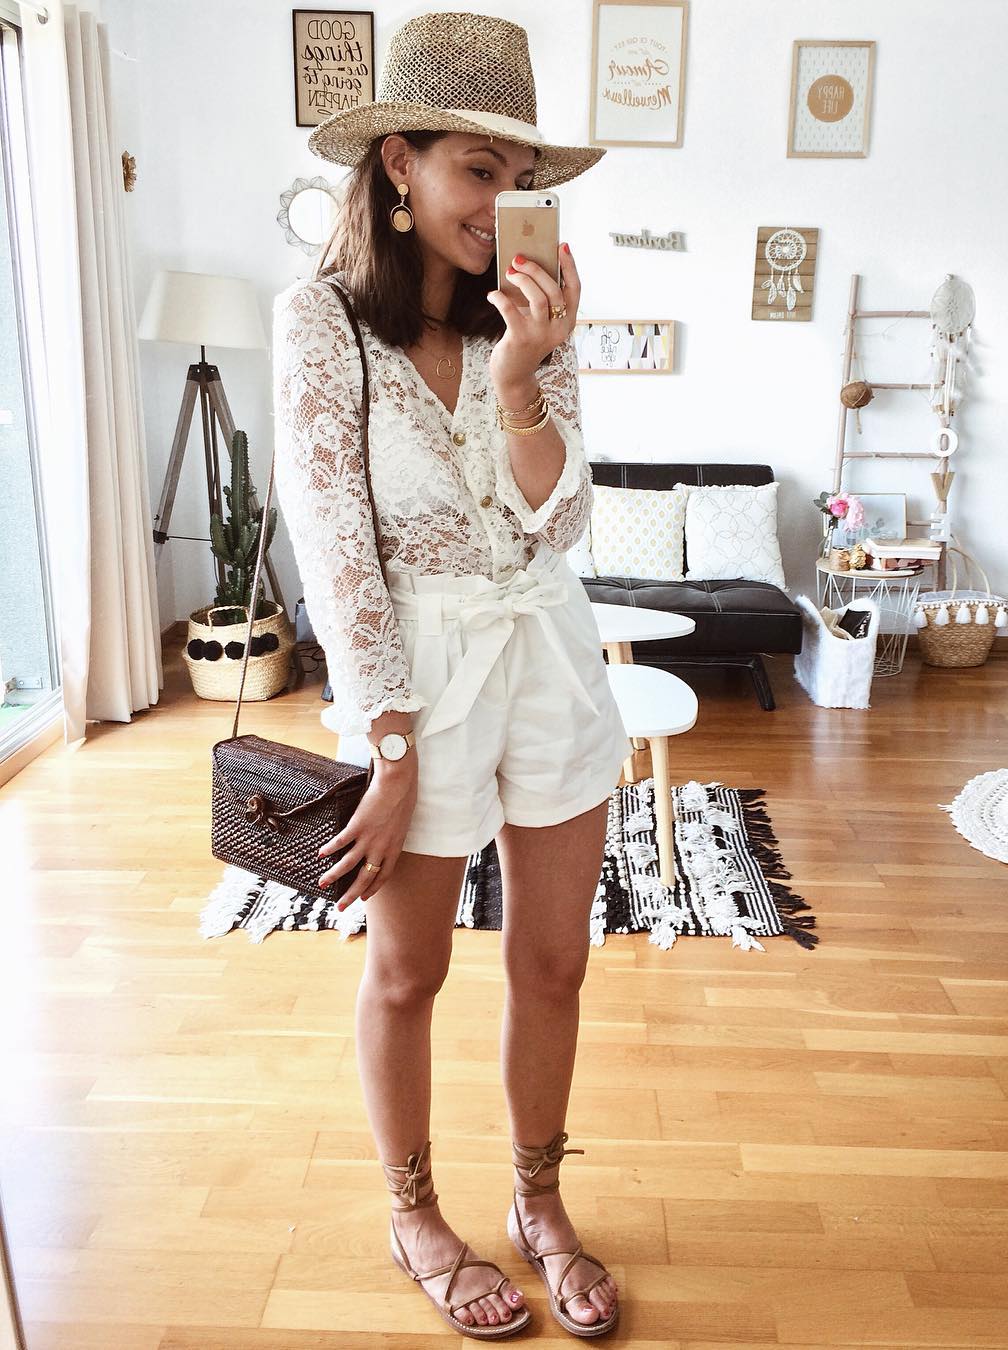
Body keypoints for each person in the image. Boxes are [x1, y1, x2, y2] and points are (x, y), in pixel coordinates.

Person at [271, 11, 630, 1341]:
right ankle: (414, 1208)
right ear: (397, 166)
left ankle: (540, 1199)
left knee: (555, 960)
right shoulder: (319, 323)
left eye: (519, 176)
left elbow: (563, 521)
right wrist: (390, 745)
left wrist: (526, 375)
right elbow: (335, 550)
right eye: (479, 169)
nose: (501, 202)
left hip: (547, 650)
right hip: (411, 673)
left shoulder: (535, 313)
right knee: (408, 968)